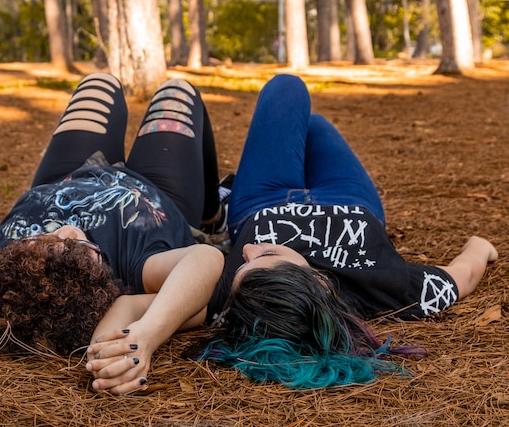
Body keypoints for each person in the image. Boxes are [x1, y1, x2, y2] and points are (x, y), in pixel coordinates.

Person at [0, 73, 225, 395]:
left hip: (67, 174)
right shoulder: (132, 268)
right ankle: (213, 211)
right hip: (160, 189)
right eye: (79, 246)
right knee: (177, 91)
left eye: (44, 240)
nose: (66, 230)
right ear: (100, 279)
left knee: (99, 83)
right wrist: (145, 333)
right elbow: (205, 258)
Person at [198, 74, 498, 390]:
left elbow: (156, 299)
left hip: (262, 200)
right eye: (266, 254)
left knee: (286, 89)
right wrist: (482, 247)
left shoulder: (234, 296)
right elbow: (462, 275)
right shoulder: (389, 288)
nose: (246, 250)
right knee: (314, 125)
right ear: (319, 282)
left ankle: (221, 208)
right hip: (346, 197)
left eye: (242, 263)